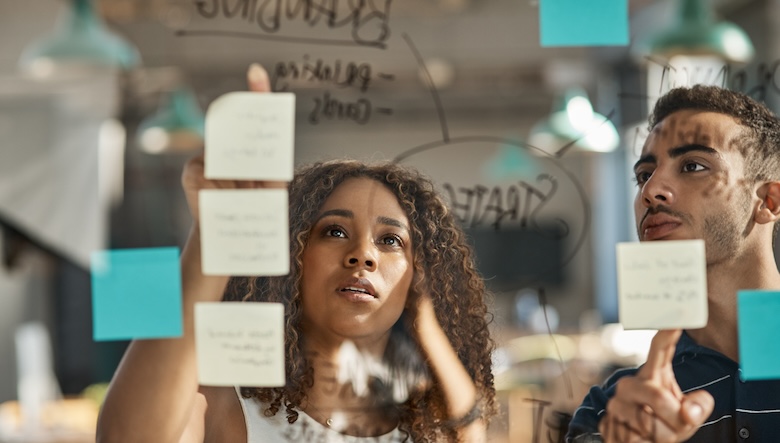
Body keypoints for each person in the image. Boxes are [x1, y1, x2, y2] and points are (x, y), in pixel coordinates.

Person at [96, 64, 497, 443]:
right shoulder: (228, 405)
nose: (363, 254)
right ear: (291, 259)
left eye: (390, 240)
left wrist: (424, 315)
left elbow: (471, 431)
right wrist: (213, 241)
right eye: (334, 231)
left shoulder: (422, 423)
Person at [566, 85, 780, 442]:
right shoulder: (612, 412)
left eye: (693, 165)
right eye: (643, 174)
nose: (651, 190)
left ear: (769, 202)